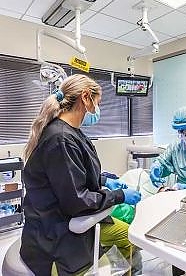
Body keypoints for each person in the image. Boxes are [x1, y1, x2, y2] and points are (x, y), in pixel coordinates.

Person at [20, 74, 141, 276]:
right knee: (121, 248)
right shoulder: (60, 139)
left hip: (72, 223)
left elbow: (74, 173)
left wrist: (104, 180)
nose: (98, 109)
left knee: (131, 238)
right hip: (57, 237)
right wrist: (118, 196)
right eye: (98, 102)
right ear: (85, 97)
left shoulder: (72, 132)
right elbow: (77, 201)